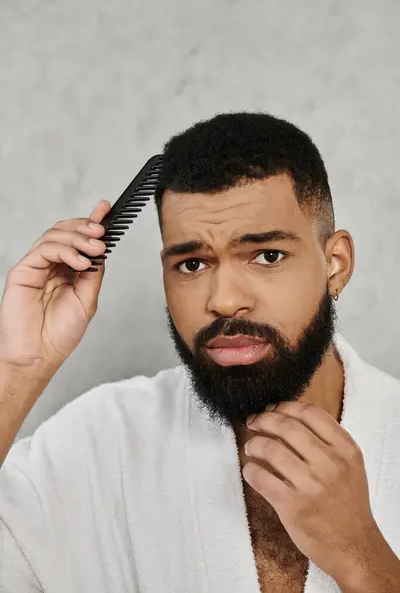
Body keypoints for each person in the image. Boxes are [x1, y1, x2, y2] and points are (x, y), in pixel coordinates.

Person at [0, 112, 399, 593]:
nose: (224, 299)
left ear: (335, 265)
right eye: (191, 263)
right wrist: (17, 368)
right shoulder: (98, 442)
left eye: (267, 255)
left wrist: (363, 558)